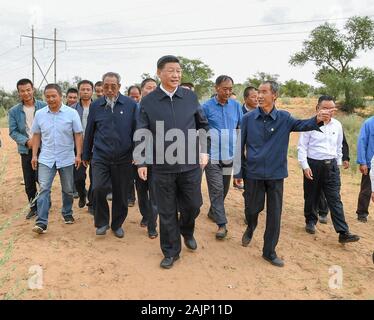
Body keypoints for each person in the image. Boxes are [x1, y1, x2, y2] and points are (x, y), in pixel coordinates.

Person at [239, 80, 333, 267]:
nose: (259, 95)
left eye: (264, 91)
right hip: (254, 173)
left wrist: (318, 118)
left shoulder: (284, 117)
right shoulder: (248, 119)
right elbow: (238, 146)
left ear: (274, 95)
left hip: (275, 174)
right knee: (252, 209)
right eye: (258, 91)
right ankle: (251, 226)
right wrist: (238, 173)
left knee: (274, 215)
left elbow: (303, 124)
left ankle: (269, 251)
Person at [135, 55, 209, 269]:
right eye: (171, 70)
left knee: (193, 205)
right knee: (166, 211)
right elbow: (142, 131)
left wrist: (204, 150)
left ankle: (187, 230)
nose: (176, 75)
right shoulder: (148, 101)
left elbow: (202, 125)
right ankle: (170, 251)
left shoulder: (190, 97)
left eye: (178, 70)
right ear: (159, 73)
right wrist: (141, 161)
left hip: (190, 165)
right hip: (162, 167)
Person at [297, 95, 360, 244]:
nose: (328, 111)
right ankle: (310, 221)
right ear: (317, 109)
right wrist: (305, 166)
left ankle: (343, 232)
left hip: (331, 166)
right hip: (313, 165)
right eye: (325, 108)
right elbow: (302, 147)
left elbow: (339, 146)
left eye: (331, 108)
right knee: (312, 195)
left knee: (335, 199)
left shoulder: (337, 125)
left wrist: (337, 164)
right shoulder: (309, 125)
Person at [83, 72, 137, 238]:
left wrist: (137, 152)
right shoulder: (96, 105)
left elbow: (136, 130)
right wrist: (86, 154)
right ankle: (102, 222)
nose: (109, 89)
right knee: (98, 188)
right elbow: (90, 131)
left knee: (121, 193)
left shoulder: (130, 105)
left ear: (119, 87)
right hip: (101, 156)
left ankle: (117, 224)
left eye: (113, 86)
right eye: (106, 86)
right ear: (102, 87)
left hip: (124, 157)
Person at [31, 83, 83, 234]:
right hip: (46, 158)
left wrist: (78, 155)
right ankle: (41, 222)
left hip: (66, 158)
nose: (51, 99)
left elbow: (78, 134)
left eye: (54, 96)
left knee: (67, 190)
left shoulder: (71, 114)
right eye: (47, 96)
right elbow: (36, 135)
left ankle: (67, 213)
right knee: (44, 189)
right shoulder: (40, 114)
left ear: (61, 96)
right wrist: (34, 155)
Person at [202, 75, 242, 239]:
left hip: (229, 155)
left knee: (224, 188)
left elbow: (240, 127)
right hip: (212, 155)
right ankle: (222, 224)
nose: (228, 92)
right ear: (216, 88)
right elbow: (201, 131)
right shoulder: (206, 107)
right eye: (225, 88)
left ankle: (213, 212)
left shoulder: (236, 106)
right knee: (216, 189)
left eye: (230, 89)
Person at [8, 78, 47, 219]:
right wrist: (26, 141)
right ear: (19, 93)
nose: (26, 93)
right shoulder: (14, 111)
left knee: (41, 178)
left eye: (28, 90)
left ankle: (44, 203)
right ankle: (33, 207)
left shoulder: (44, 106)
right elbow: (12, 131)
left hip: (44, 148)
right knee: (29, 182)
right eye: (22, 91)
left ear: (33, 89)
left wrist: (39, 140)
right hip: (26, 150)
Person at [134, 78, 158, 238]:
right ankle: (145, 214)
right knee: (141, 192)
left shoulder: (160, 108)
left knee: (155, 193)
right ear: (142, 90)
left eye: (154, 88)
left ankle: (152, 224)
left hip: (157, 157)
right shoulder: (133, 108)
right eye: (148, 88)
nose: (152, 90)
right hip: (137, 158)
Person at [316, 130, 350, 224]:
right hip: (317, 162)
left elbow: (343, 142)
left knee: (333, 191)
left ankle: (326, 212)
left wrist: (345, 158)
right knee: (320, 189)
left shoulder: (337, 125)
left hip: (333, 163)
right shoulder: (314, 124)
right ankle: (322, 212)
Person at [71, 80, 94, 209]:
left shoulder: (98, 107)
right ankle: (81, 194)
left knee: (95, 178)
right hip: (77, 148)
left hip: (95, 147)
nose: (85, 92)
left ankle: (91, 202)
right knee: (79, 178)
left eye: (88, 89)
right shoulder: (72, 109)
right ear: (79, 91)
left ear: (92, 91)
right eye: (83, 89)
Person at [356, 115, 374, 223]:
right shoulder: (369, 123)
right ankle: (362, 213)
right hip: (370, 163)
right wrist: (362, 162)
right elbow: (362, 142)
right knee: (366, 190)